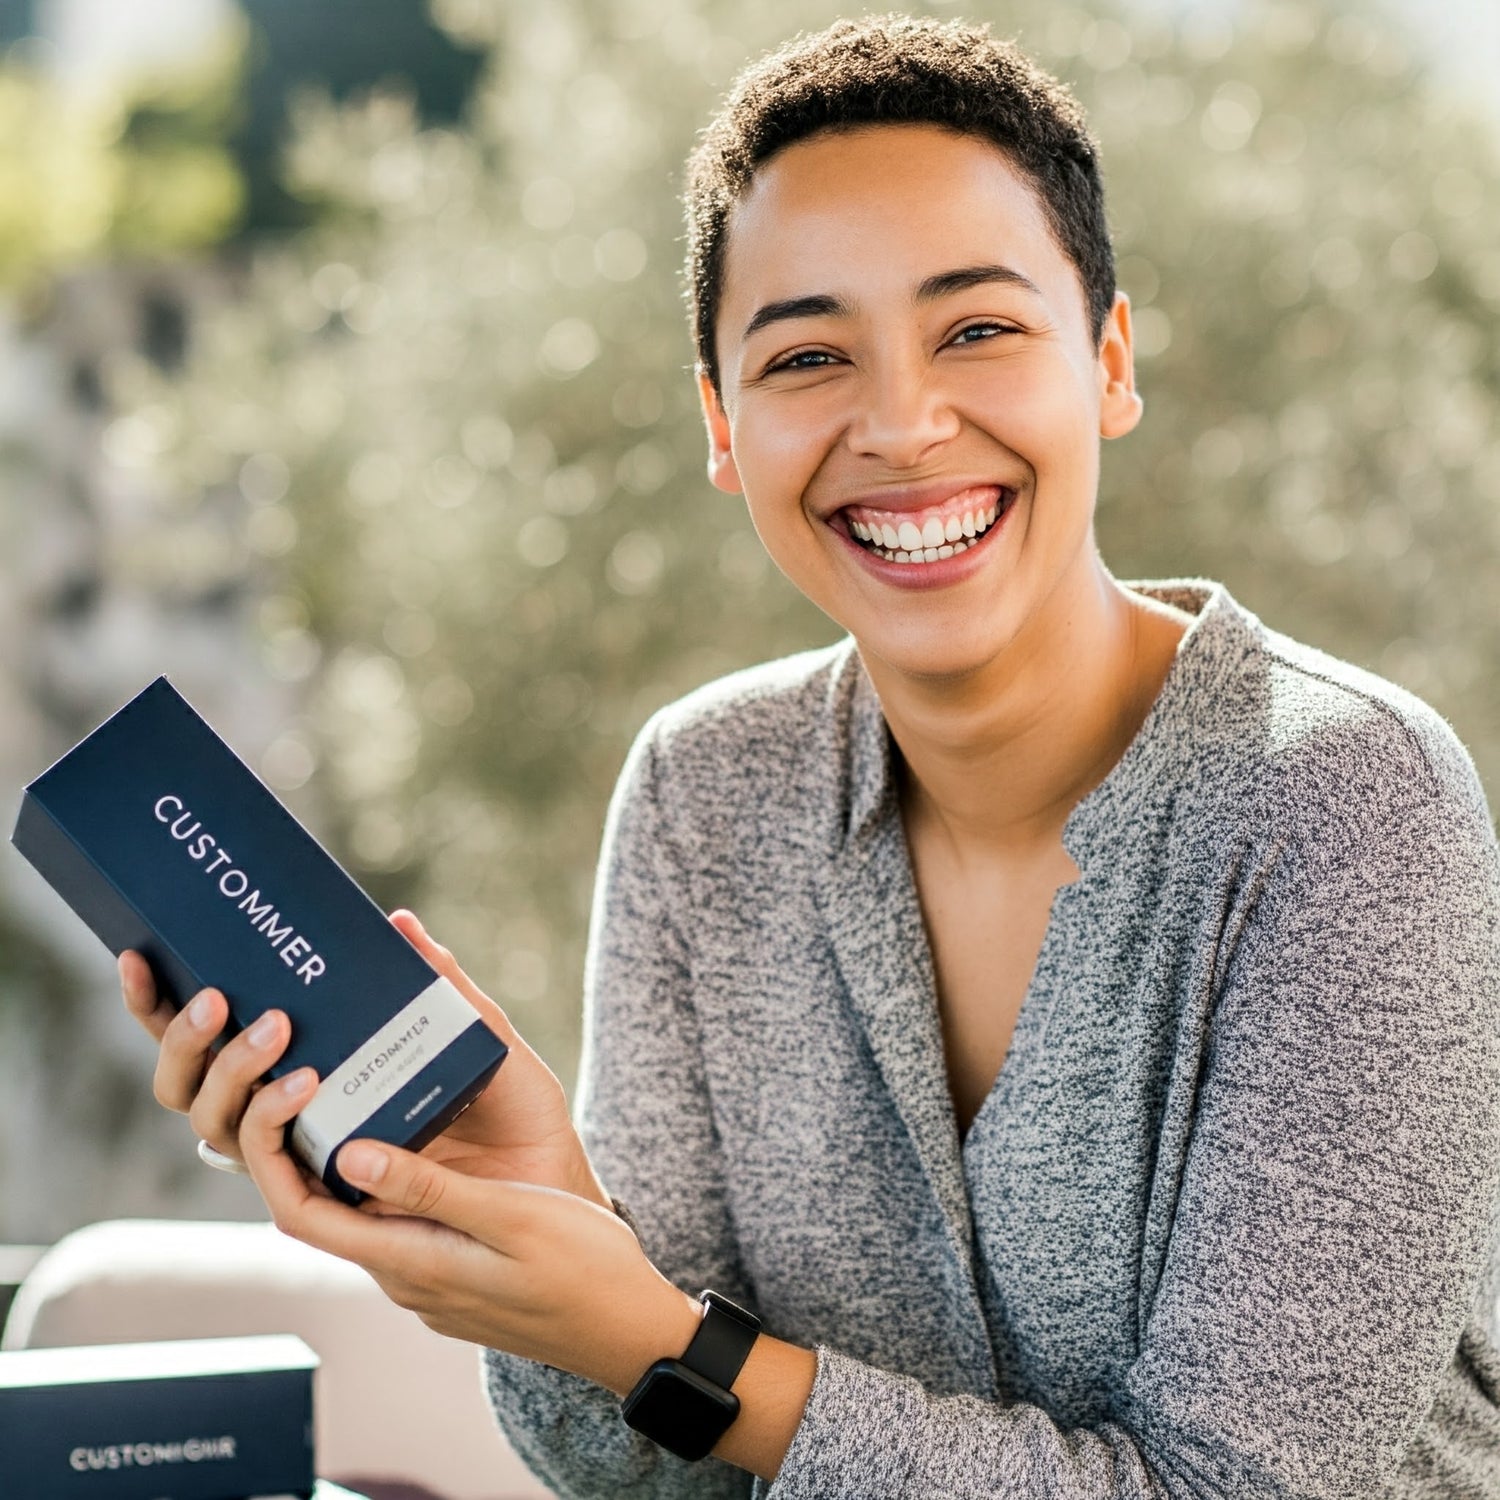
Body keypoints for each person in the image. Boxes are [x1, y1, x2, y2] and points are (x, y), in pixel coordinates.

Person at [118, 13, 1500, 1497]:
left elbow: (1241, 1494)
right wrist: (535, 1212)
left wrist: (681, 1347)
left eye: (979, 328)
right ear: (723, 424)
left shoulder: (1346, 801)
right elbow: (645, 1476)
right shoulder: (702, 797)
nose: (902, 423)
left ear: (1107, 361)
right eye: (807, 356)